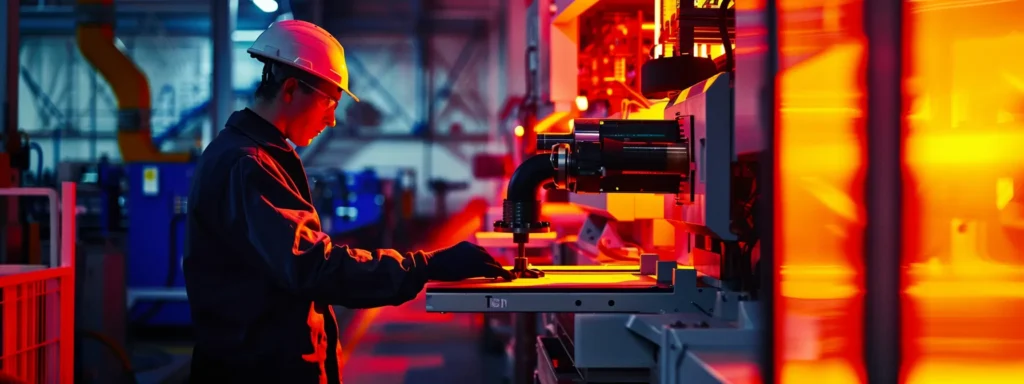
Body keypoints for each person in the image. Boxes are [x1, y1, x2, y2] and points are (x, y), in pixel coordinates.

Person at [183, 20, 514, 383]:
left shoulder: (257, 157)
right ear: (291, 89)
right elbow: (314, 267)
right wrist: (424, 265)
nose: (332, 120)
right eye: (330, 103)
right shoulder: (247, 165)